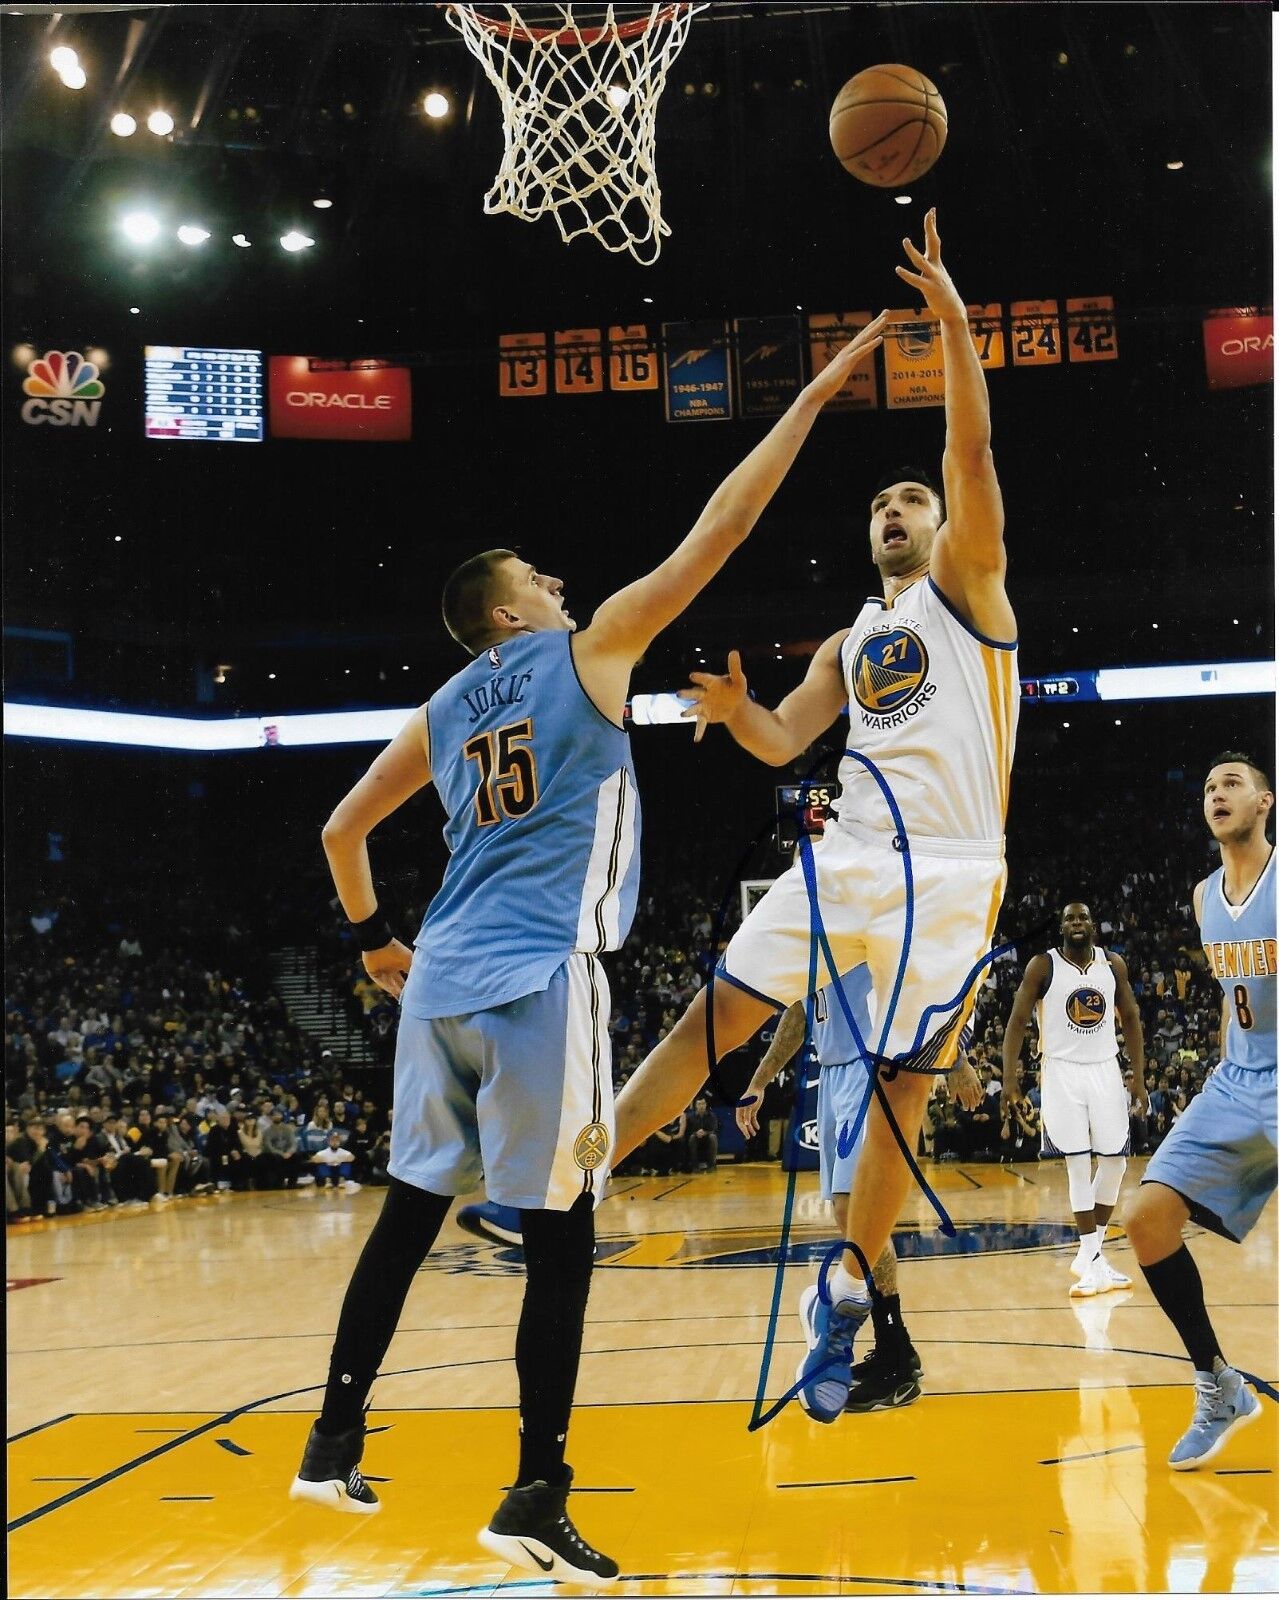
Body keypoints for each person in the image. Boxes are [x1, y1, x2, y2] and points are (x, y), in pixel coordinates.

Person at [287, 313, 888, 1581]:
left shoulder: (444, 705)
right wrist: (817, 396)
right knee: (562, 1237)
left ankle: (331, 1438)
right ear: (513, 609)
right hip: (538, 977)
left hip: (439, 977)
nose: (564, 587)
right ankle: (534, 1493)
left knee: (408, 1213)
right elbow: (717, 530)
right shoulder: (586, 646)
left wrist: (374, 942)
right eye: (544, 581)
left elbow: (343, 831)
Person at [608, 208, 1016, 1422]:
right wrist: (736, 710)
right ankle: (574, 1182)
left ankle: (850, 1282)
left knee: (902, 1087)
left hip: (950, 868)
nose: (898, 510)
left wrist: (951, 327)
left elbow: (973, 464)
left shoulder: (974, 596)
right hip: (850, 853)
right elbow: (790, 740)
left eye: (913, 500)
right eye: (883, 503)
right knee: (714, 1014)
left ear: (942, 530)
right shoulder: (851, 637)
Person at [1125, 753, 1275, 1469]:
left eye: (1232, 785)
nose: (1216, 794)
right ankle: (1218, 1385)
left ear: (1265, 802)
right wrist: (1219, 1071)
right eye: (1209, 785)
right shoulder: (1202, 896)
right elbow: (1229, 996)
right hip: (1236, 1079)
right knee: (1146, 1219)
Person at [737, 966, 974, 1413]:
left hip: (872, 1069)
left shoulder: (869, 912)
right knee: (848, 1218)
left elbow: (922, 984)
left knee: (859, 1211)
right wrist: (760, 1079)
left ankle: (895, 1361)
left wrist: (957, 1061)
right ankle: (895, 1350)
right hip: (832, 1074)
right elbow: (800, 1013)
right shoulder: (816, 934)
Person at [1002, 902, 1147, 1297]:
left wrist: (1139, 1078)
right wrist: (1010, 1080)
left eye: (1083, 917)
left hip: (1105, 1068)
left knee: (1115, 1163)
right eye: (1069, 918)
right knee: (1078, 1164)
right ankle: (1092, 1261)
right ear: (1061, 928)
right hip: (1062, 1070)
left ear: (1093, 925)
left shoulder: (1112, 964)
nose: (1077, 923)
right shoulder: (1042, 966)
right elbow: (1016, 1021)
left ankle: (1091, 1256)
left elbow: (1131, 1017)